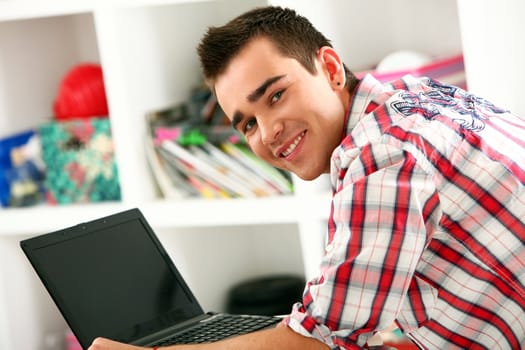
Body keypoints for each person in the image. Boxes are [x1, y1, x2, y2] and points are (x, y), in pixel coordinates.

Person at [89, 5, 525, 350]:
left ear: (332, 69)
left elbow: (324, 338)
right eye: (248, 125)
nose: (268, 132)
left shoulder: (381, 158)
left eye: (276, 95)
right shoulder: (412, 97)